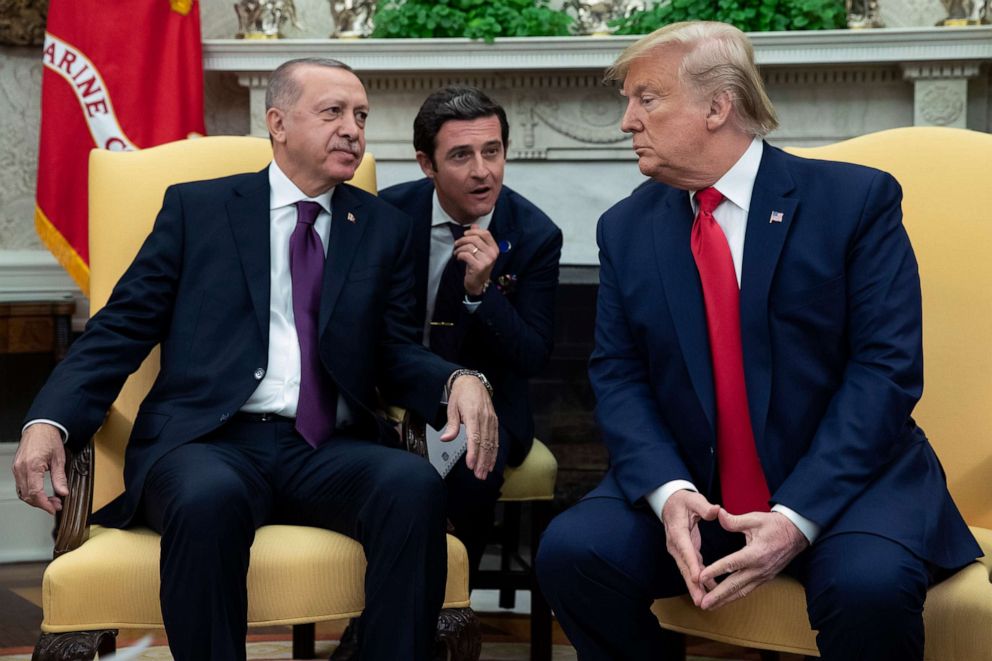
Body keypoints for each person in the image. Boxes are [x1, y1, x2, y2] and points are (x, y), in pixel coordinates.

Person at [11, 58, 498, 661]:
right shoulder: (198, 210)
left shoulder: (382, 227)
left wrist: (458, 379)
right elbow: (119, 329)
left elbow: (395, 352)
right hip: (208, 441)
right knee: (206, 499)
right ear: (278, 122)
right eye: (333, 113)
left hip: (326, 448)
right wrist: (48, 420)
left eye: (361, 116)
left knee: (412, 484)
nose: (353, 129)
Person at [535, 21, 980, 661]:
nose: (627, 120)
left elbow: (886, 371)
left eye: (647, 98)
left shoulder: (853, 202)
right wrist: (670, 494)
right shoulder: (626, 226)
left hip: (845, 486)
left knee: (868, 589)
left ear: (718, 105)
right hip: (699, 489)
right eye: (627, 102)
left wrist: (796, 517)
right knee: (575, 553)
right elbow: (618, 374)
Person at [380, 86, 562, 577]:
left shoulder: (535, 235)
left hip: (490, 398)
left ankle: (444, 607)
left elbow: (532, 356)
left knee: (471, 460)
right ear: (427, 164)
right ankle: (374, 612)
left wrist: (482, 294)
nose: (483, 171)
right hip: (392, 384)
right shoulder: (387, 215)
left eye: (493, 151)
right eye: (461, 155)